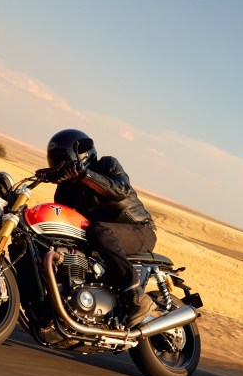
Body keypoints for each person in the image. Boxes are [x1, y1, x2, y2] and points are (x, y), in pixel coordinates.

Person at [37, 129, 156, 327]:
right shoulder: (65, 191)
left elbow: (120, 190)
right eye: (55, 162)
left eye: (62, 160)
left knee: (99, 230)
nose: (59, 166)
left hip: (138, 230)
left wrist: (86, 174)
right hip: (102, 239)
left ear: (79, 156)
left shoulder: (106, 164)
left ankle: (136, 296)